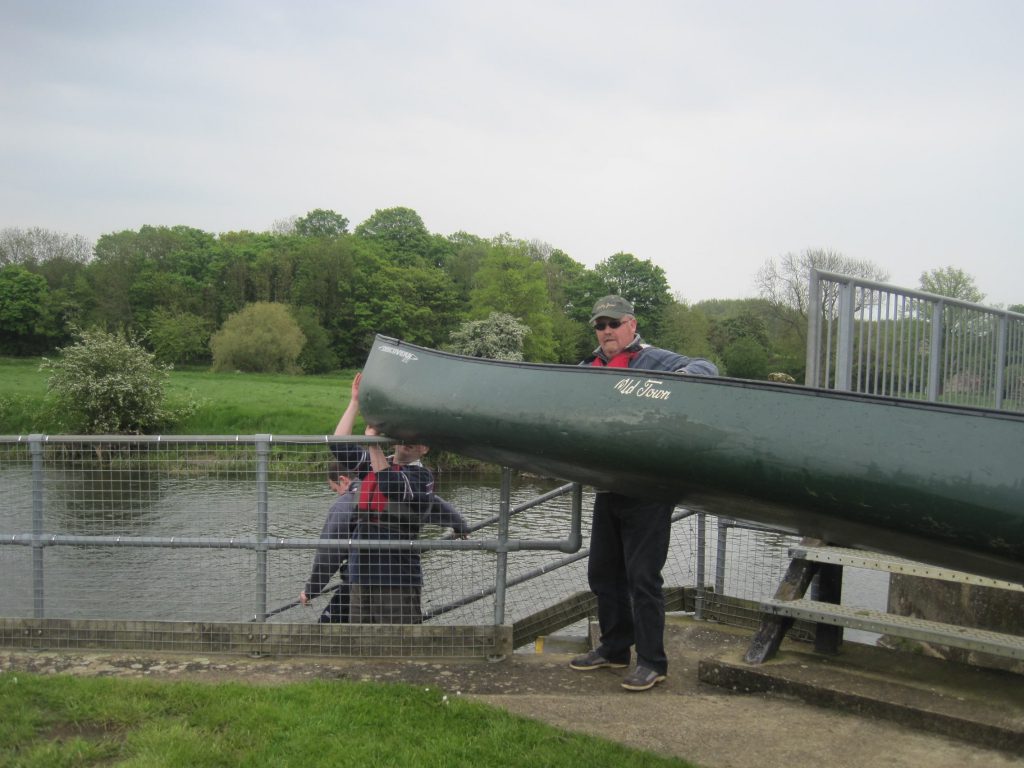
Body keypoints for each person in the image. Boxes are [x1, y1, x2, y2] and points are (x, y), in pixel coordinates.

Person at [570, 295, 718, 691]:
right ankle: (615, 648)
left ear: (631, 325)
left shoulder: (655, 359)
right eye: (600, 325)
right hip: (609, 486)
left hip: (649, 489)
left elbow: (707, 367)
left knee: (642, 578)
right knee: (602, 573)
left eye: (613, 324)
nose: (606, 332)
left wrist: (683, 382)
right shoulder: (587, 367)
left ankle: (653, 661)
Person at [329, 372, 469, 624]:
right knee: (361, 644)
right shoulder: (373, 465)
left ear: (424, 449)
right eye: (404, 436)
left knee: (400, 645)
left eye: (416, 440)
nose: (408, 442)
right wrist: (355, 402)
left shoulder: (421, 477)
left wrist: (373, 445)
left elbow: (391, 485)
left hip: (397, 579)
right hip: (361, 574)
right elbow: (338, 445)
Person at [298, 462, 356, 623]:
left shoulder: (344, 506)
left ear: (344, 480)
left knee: (325, 631)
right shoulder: (387, 490)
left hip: (360, 582)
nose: (338, 495)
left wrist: (311, 590)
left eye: (335, 489)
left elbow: (328, 555)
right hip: (404, 579)